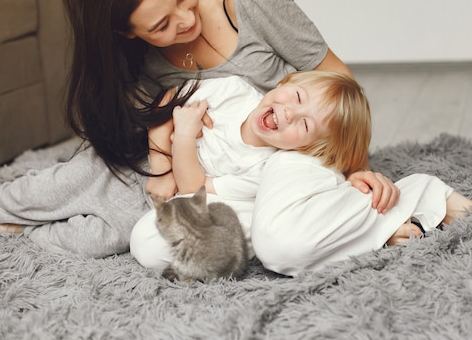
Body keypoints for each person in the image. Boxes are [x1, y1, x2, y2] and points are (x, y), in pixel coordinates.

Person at [0, 0, 398, 257]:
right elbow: (153, 122)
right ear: (128, 34)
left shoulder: (251, 0)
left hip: (249, 173)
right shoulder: (132, 59)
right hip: (171, 153)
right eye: (163, 24)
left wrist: (353, 167)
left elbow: (336, 79)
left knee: (120, 233)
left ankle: (25, 231)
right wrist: (164, 168)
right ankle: (4, 209)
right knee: (74, 182)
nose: (188, 20)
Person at [130, 70, 372, 269]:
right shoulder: (231, 91)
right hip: (159, 177)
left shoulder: (265, 168)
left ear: (308, 148)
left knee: (148, 243)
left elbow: (192, 188)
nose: (290, 112)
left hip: (211, 198)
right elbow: (169, 100)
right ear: (284, 82)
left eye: (305, 124)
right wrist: (162, 163)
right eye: (297, 97)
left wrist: (183, 135)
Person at [251, 149, 472, 276]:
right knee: (418, 186)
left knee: (368, 204)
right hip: (281, 240)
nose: (286, 111)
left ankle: (397, 222)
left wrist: (357, 172)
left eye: (305, 122)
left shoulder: (289, 158)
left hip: (272, 252)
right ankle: (387, 229)